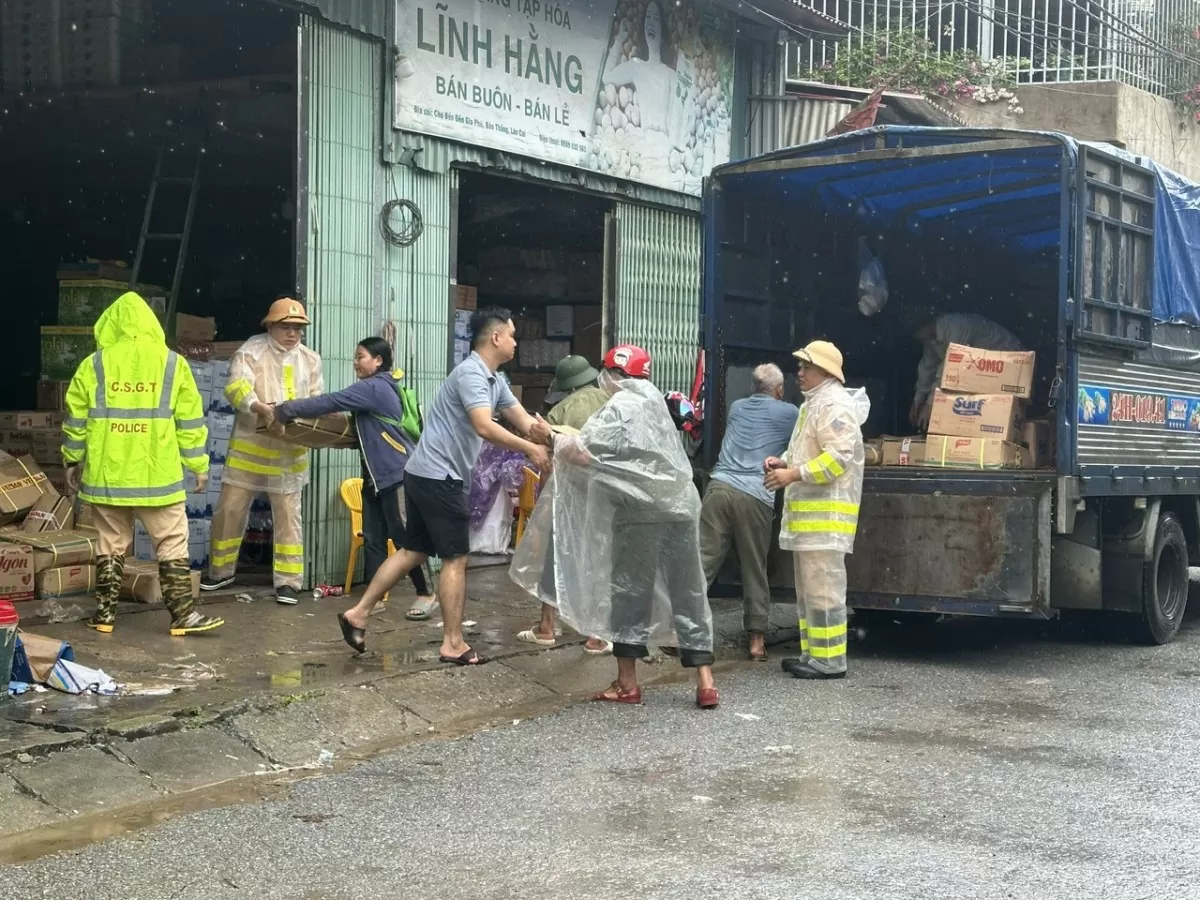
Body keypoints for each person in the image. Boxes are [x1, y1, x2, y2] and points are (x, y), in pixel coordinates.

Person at [336, 307, 552, 664]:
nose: (516, 342)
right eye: (512, 335)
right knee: (455, 558)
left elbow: (523, 420)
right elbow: (484, 426)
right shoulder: (471, 375)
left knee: (412, 551)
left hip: (423, 473)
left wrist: (547, 436)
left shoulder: (494, 380)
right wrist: (531, 448)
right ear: (496, 338)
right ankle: (452, 643)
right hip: (440, 478)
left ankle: (357, 614)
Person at [514, 344, 718, 709]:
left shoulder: (621, 406)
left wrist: (550, 436)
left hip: (641, 514)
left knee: (629, 595)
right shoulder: (656, 401)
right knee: (688, 591)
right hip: (681, 508)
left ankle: (627, 684)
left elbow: (583, 453)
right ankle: (705, 682)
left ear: (612, 374)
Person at [61, 291, 224, 636]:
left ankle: (104, 615)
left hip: (109, 476)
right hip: (158, 477)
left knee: (110, 542)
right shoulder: (172, 364)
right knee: (172, 542)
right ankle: (182, 615)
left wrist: (71, 460)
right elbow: (190, 422)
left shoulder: (95, 364)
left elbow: (76, 419)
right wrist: (198, 465)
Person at [271, 336, 436, 619]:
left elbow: (331, 400)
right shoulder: (374, 390)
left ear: (378, 360)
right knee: (373, 538)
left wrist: (286, 409)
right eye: (355, 357)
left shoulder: (375, 387)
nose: (355, 363)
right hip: (374, 477)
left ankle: (427, 593)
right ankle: (376, 598)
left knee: (405, 538)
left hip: (395, 474)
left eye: (360, 357)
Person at [202, 295, 324, 605]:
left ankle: (288, 583)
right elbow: (236, 387)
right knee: (230, 511)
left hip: (288, 455)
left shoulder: (310, 359)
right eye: (285, 326)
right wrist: (258, 407)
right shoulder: (251, 352)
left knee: (288, 519)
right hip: (250, 452)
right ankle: (220, 571)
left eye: (297, 327)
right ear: (269, 326)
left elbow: (316, 398)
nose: (292, 333)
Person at [765, 340, 868, 680]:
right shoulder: (817, 404)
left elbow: (839, 458)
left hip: (825, 523)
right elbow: (815, 454)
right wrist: (785, 463)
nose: (800, 372)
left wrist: (792, 473)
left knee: (823, 592)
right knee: (812, 592)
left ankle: (829, 662)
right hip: (812, 524)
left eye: (806, 367)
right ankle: (814, 656)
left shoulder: (833, 405)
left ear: (825, 371)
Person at [699, 363, 798, 661]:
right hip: (755, 493)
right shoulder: (792, 413)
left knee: (702, 564)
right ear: (780, 390)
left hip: (719, 488)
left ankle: (679, 632)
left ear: (753, 387)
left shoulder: (737, 407)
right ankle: (756, 641)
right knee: (754, 566)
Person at [516, 355, 611, 654]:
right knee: (597, 556)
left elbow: (545, 459)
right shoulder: (611, 403)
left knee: (554, 556)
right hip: (604, 493)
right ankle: (596, 635)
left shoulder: (558, 411)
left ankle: (546, 627)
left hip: (566, 495)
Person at [910, 313, 1023, 431]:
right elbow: (928, 366)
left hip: (1009, 357)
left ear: (927, 324)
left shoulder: (955, 327)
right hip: (984, 366)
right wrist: (918, 399)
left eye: (918, 333)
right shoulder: (930, 337)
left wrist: (929, 404)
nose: (918, 337)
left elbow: (950, 369)